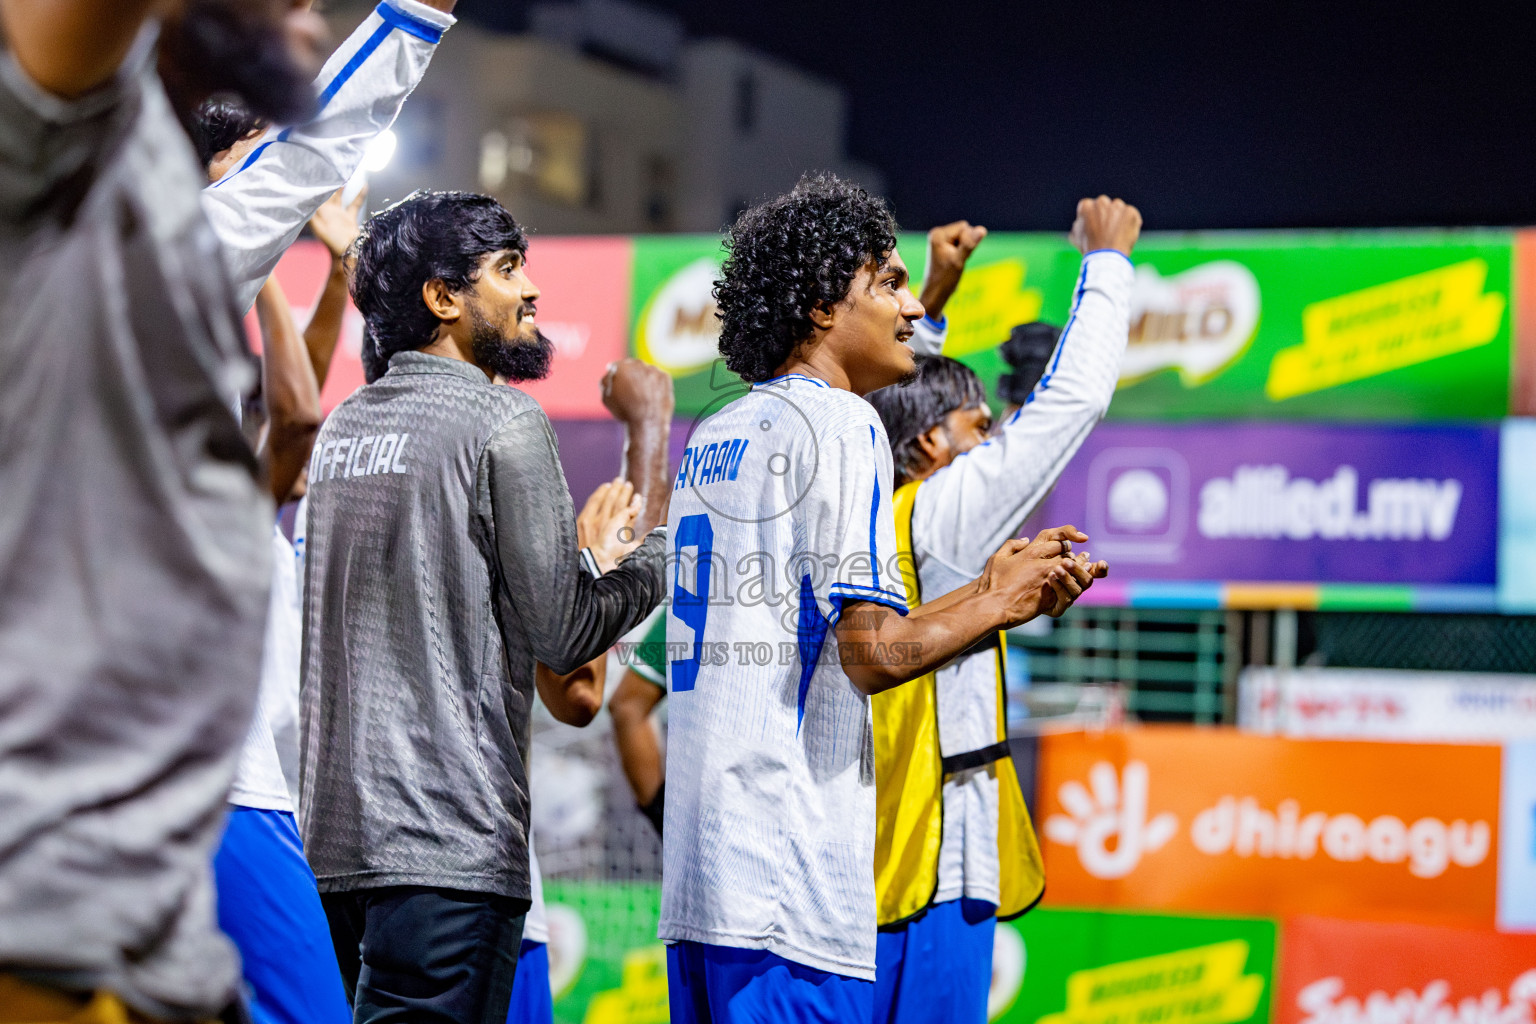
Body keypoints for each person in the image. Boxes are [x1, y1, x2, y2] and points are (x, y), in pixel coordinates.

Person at [660, 172, 1105, 1023]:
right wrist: (995, 605)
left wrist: (988, 587)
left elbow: (825, 638)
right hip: (789, 887)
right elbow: (873, 654)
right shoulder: (844, 425)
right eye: (890, 283)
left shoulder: (716, 433)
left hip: (705, 880)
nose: (911, 310)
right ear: (825, 306)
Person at [0, 1, 326, 1019]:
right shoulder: (60, 152)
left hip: (147, 905)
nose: (316, 20)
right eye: (299, 1)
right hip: (49, 916)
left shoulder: (154, 206)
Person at [301, 189, 668, 1024]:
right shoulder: (502, 420)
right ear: (443, 298)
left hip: (337, 849)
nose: (531, 290)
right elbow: (563, 631)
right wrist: (663, 557)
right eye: (507, 270)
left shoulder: (344, 428)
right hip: (448, 850)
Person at [864, 196, 1141, 1024]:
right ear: (931, 449)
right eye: (980, 429)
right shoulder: (948, 514)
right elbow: (1072, 404)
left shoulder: (876, 503)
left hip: (873, 853)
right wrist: (1107, 263)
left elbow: (892, 411)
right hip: (937, 867)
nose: (995, 445)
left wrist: (935, 305)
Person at [507, 361, 676, 1024]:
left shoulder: (343, 463)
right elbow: (585, 697)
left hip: (356, 860)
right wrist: (589, 568)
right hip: (483, 875)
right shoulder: (497, 457)